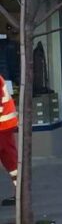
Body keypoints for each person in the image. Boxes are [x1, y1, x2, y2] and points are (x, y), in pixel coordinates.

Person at [0, 72, 16, 207]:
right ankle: (20, 192)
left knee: (10, 159)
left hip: (2, 126)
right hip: (6, 125)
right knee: (10, 160)